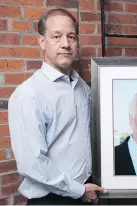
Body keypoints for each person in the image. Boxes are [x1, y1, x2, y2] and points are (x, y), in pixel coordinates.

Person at [8, 8, 106, 205]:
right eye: (56, 36)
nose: (65, 44)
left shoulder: (83, 88)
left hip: (86, 193)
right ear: (42, 42)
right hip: (52, 200)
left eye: (71, 37)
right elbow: (32, 163)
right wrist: (78, 190)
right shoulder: (28, 95)